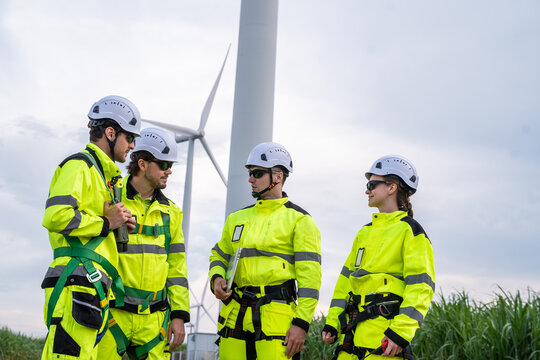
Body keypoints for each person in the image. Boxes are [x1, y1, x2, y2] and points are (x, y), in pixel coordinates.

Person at [41, 95, 141, 359]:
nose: (132, 145)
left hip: (90, 287)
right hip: (76, 283)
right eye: (130, 137)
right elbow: (57, 216)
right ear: (110, 132)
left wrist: (118, 225)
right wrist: (107, 222)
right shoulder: (79, 166)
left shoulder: (104, 176)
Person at [208, 142, 322, 360]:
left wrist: (301, 324)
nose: (250, 178)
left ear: (278, 176)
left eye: (257, 173)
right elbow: (219, 256)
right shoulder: (236, 218)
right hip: (234, 317)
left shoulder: (300, 221)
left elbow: (310, 282)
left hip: (276, 320)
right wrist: (216, 278)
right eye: (250, 173)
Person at [321, 155, 435, 360]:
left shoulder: (411, 231)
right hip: (350, 343)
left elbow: (421, 287)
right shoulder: (364, 233)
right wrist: (333, 322)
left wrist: (400, 333)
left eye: (372, 184)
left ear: (392, 187)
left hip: (385, 342)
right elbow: (345, 282)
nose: (367, 190)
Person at [97, 127, 190, 360]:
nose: (169, 171)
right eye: (164, 164)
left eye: (171, 166)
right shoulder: (110, 197)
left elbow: (177, 269)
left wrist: (179, 315)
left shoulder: (172, 214)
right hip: (112, 315)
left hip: (154, 321)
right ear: (142, 163)